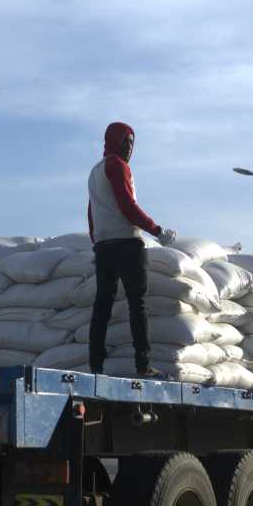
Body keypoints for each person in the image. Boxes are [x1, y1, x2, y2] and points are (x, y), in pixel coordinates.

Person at [88, 121, 175, 377]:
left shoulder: (94, 171)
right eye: (126, 142)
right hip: (127, 243)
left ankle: (96, 364)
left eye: (132, 144)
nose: (129, 148)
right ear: (114, 142)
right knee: (137, 303)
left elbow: (91, 211)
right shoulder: (118, 166)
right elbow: (127, 205)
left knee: (102, 304)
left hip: (103, 247)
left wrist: (96, 240)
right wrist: (156, 230)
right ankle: (143, 364)